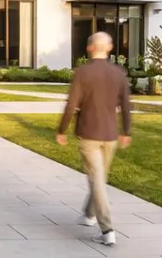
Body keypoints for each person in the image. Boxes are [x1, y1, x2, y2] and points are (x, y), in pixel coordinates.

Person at [56, 31, 132, 246]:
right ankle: (88, 215)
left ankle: (107, 230)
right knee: (98, 178)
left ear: (89, 48)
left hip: (89, 133)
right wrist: (127, 131)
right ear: (109, 48)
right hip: (110, 134)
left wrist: (61, 130)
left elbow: (71, 104)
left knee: (97, 180)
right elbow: (126, 105)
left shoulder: (82, 72)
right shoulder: (119, 73)